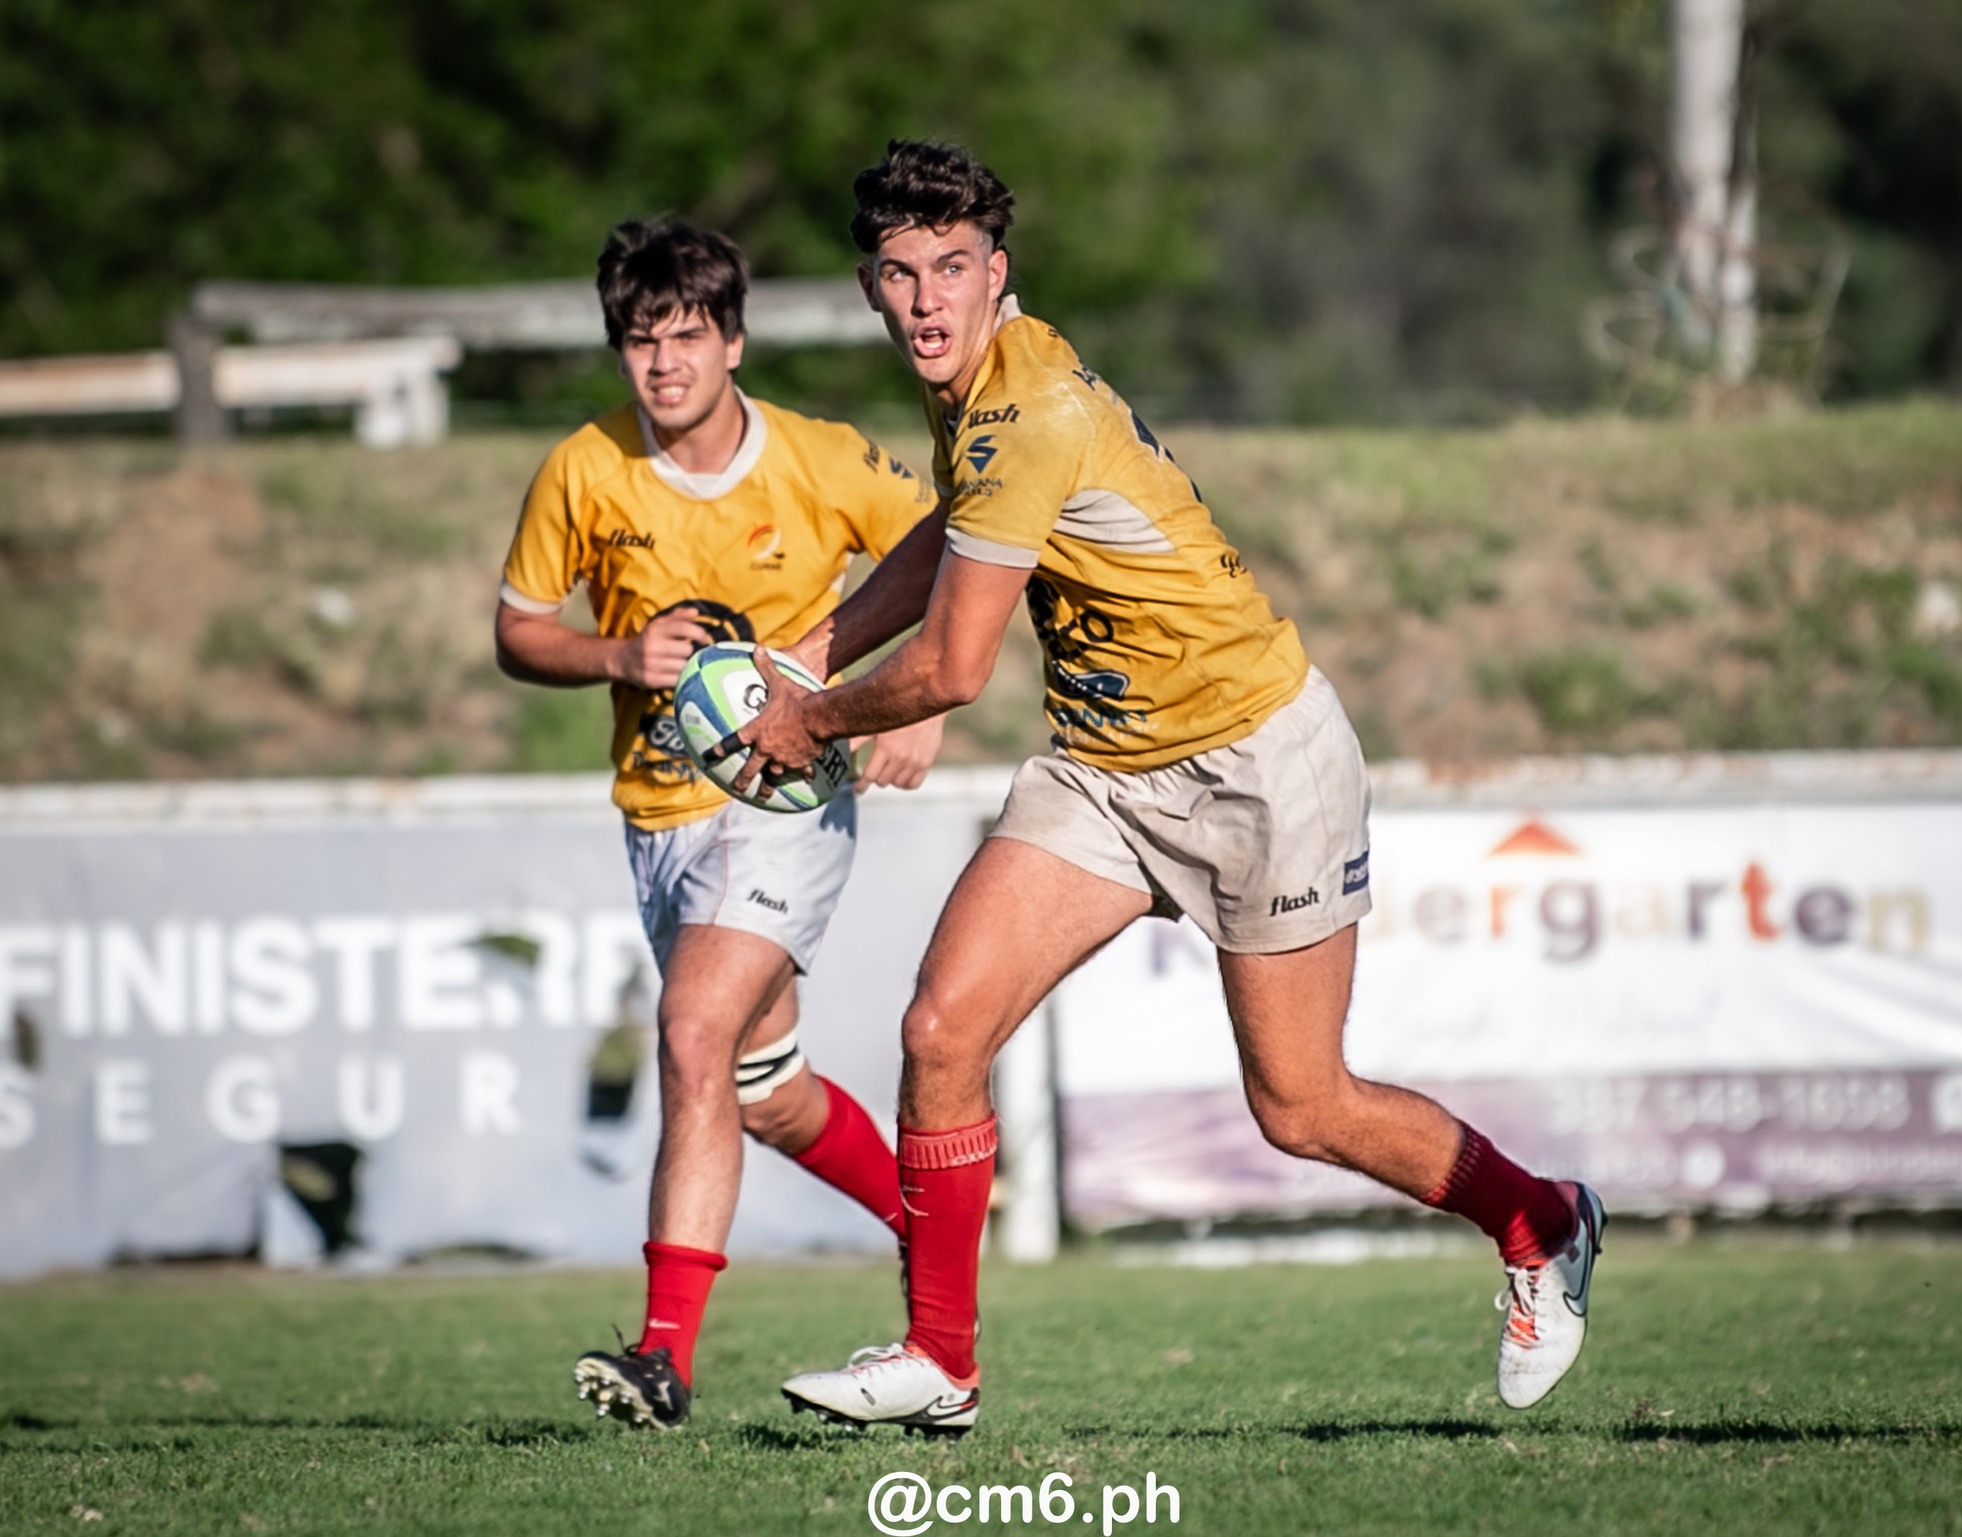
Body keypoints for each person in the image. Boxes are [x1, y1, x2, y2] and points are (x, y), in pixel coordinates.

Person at [734, 140, 1605, 1435]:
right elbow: (959, 533)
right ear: (871, 282)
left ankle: (1542, 1220)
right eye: (903, 272)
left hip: (1259, 757)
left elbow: (959, 668)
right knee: (941, 1032)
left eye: (952, 269)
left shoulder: (1024, 406)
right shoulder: (969, 384)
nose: (926, 299)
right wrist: (817, 643)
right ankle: (940, 1360)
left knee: (1301, 1106)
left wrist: (811, 716)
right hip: (1106, 768)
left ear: (998, 273)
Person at [494, 216, 948, 1430]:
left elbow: (961, 536)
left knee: (692, 1031)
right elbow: (517, 629)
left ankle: (660, 1358)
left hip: (787, 803)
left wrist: (930, 698)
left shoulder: (817, 457)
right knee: (757, 1085)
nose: (663, 366)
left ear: (733, 341)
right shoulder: (582, 470)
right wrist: (611, 652)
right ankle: (928, 1218)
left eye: (685, 338)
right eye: (639, 343)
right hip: (656, 819)